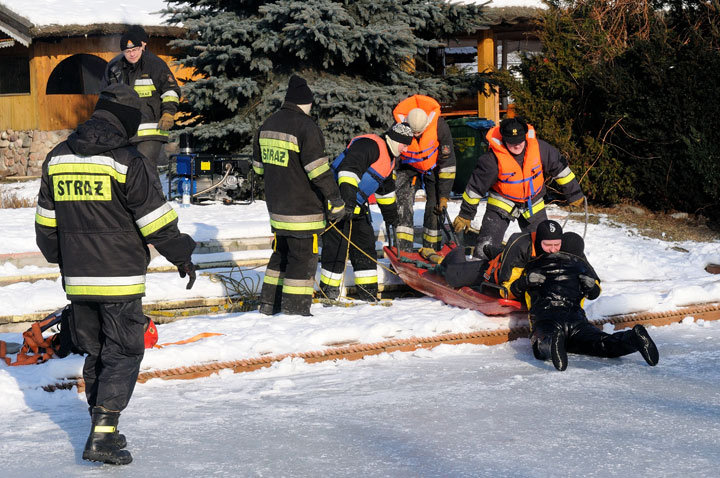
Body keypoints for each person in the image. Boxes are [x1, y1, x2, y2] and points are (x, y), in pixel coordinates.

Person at [34, 84, 197, 465]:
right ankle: (103, 437)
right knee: (123, 351)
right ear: (125, 124)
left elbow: (46, 225)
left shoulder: (57, 158)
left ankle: (100, 425)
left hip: (78, 280)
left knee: (96, 350)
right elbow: (156, 222)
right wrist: (182, 256)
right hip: (120, 278)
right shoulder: (128, 161)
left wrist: (65, 258)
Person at [253, 74, 345, 316]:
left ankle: (268, 306)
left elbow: (258, 168)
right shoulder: (306, 127)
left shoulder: (267, 124)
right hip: (303, 210)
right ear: (307, 103)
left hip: (277, 208)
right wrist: (335, 200)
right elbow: (319, 171)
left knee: (280, 256)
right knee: (301, 259)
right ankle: (295, 313)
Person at [510, 227, 659, 371]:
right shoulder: (583, 267)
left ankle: (553, 340)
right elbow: (594, 293)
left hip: (547, 318)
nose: (553, 249)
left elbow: (512, 291)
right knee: (601, 343)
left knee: (543, 339)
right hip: (577, 321)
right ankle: (632, 338)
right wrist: (590, 286)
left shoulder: (532, 266)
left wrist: (525, 282)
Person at [453, 117, 584, 258]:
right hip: (501, 205)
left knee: (544, 243)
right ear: (504, 140)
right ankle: (481, 269)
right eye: (512, 142)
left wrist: (575, 194)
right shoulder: (491, 160)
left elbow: (561, 170)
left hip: (533, 203)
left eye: (520, 141)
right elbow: (475, 189)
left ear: (525, 137)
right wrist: (465, 215)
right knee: (487, 244)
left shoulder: (541, 149)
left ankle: (542, 269)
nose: (517, 146)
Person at [319, 122, 414, 301]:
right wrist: (347, 202)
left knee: (365, 246)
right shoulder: (370, 145)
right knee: (336, 248)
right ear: (395, 140)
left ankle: (368, 294)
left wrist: (391, 217)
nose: (406, 149)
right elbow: (347, 171)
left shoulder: (390, 159)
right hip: (337, 202)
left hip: (356, 206)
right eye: (405, 144)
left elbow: (385, 191)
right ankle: (328, 295)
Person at [102, 25, 181, 172]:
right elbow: (106, 98)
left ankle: (152, 194)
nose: (132, 54)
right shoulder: (115, 67)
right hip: (124, 132)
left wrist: (168, 113)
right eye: (128, 51)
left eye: (135, 50)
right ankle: (147, 195)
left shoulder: (155, 65)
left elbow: (171, 90)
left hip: (151, 130)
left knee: (144, 168)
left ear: (142, 47)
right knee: (127, 172)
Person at [392, 94, 456, 251]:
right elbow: (393, 158)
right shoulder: (397, 127)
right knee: (403, 206)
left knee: (435, 208)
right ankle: (403, 249)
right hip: (407, 168)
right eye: (413, 133)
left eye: (418, 133)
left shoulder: (440, 127)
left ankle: (432, 248)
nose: (415, 136)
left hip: (432, 168)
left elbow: (447, 164)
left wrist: (444, 196)